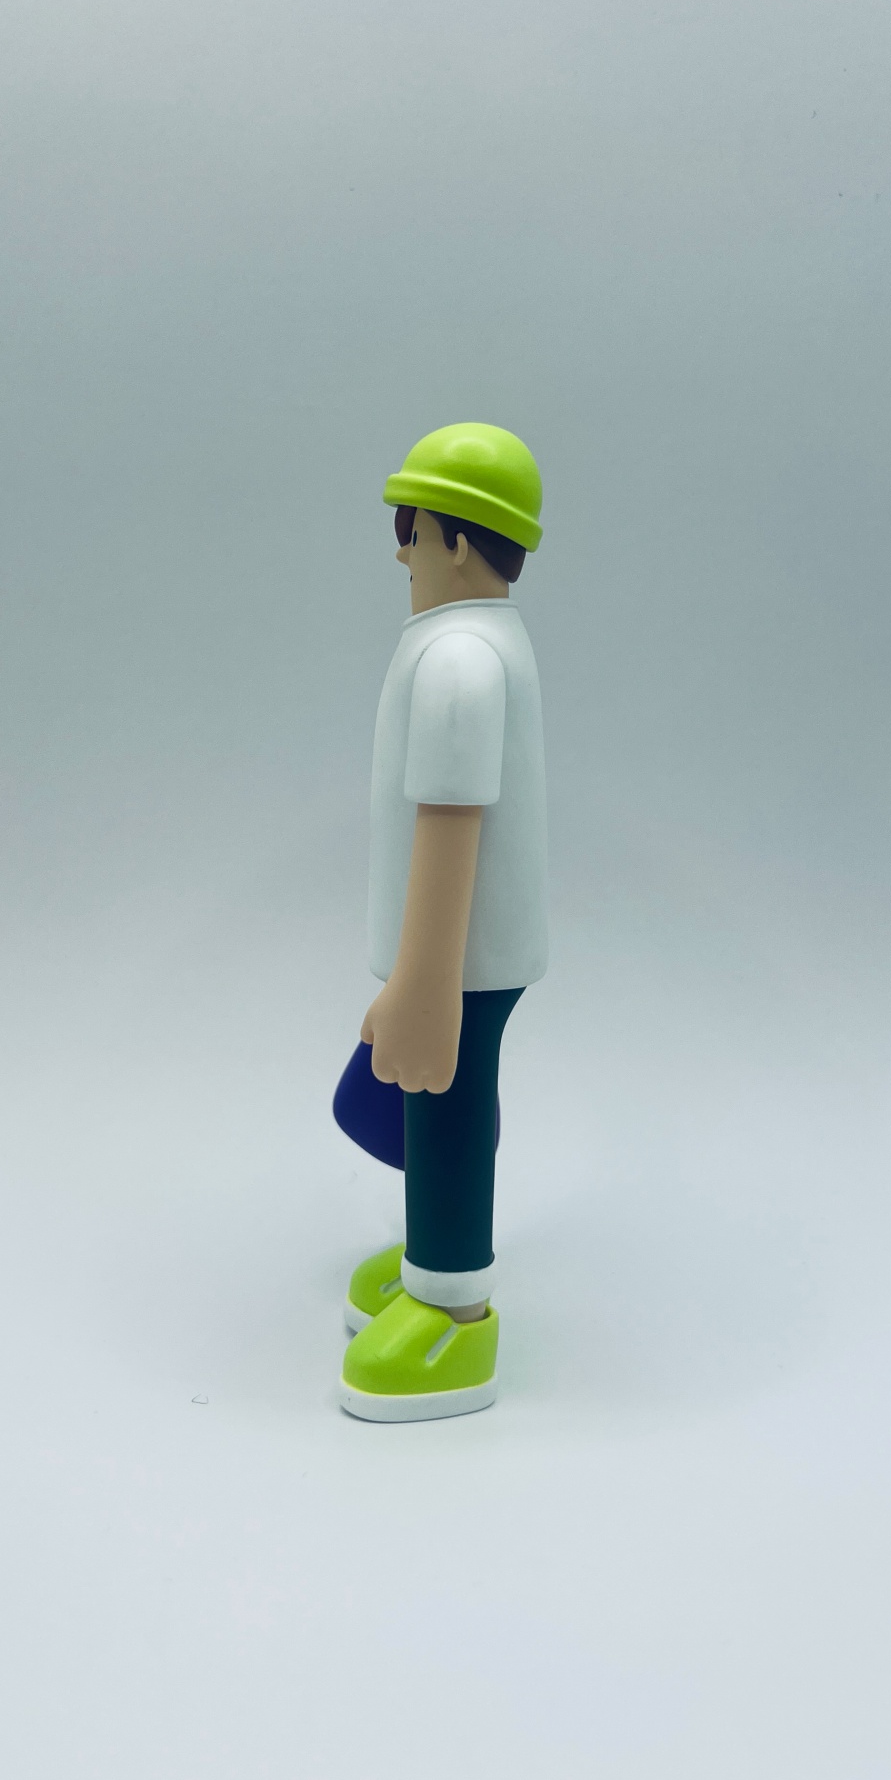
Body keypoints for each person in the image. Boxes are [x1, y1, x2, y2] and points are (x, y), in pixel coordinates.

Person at [335, 423, 548, 1421]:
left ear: (457, 542)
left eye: (410, 533)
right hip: (457, 951)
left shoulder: (460, 658)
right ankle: (434, 1258)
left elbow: (453, 823)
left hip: (458, 954)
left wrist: (427, 983)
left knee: (449, 1107)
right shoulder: (476, 642)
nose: (402, 555)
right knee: (437, 1104)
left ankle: (454, 1311)